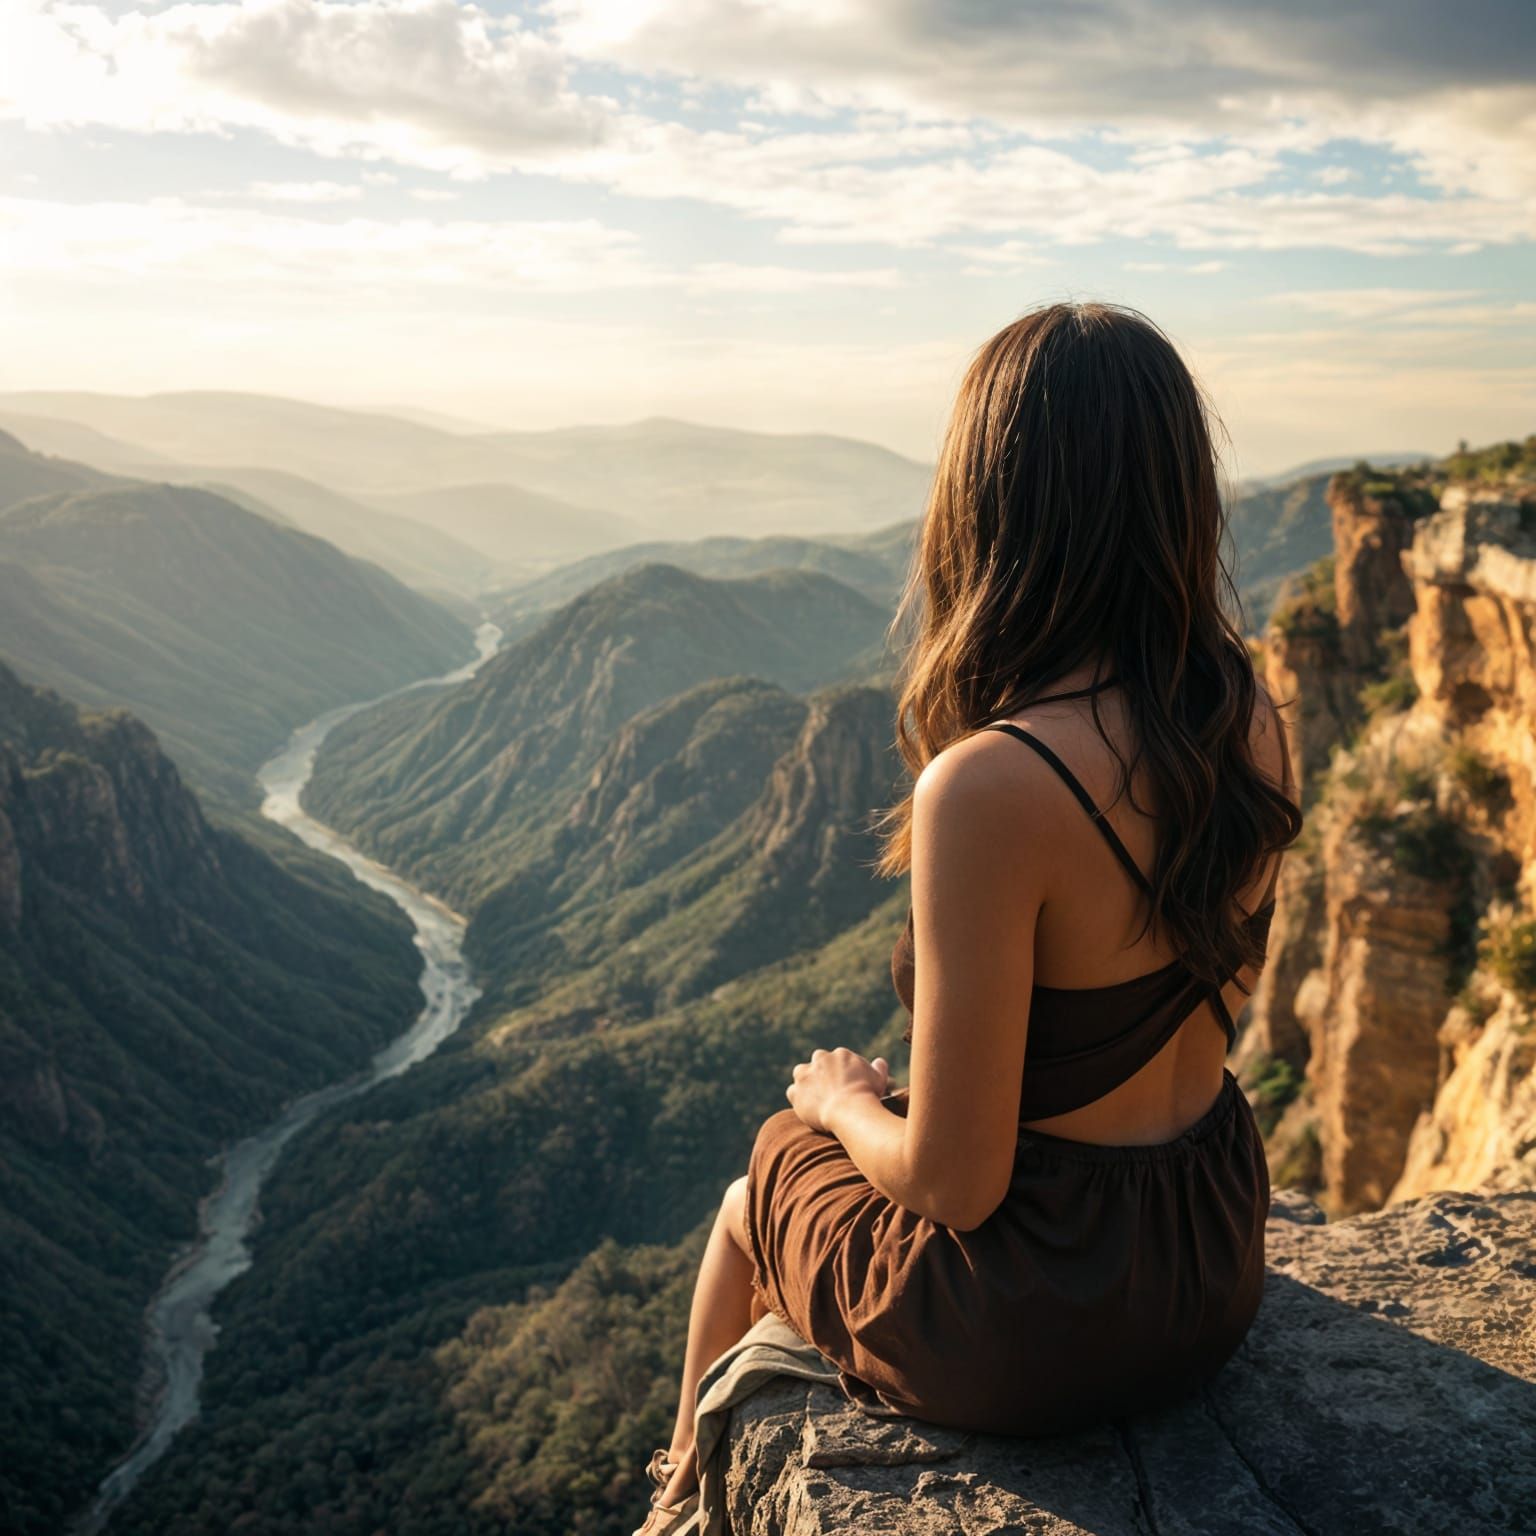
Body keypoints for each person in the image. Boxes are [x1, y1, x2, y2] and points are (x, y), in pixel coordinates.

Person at [634, 301, 1303, 1536]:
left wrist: (837, 1100)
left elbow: (953, 1183)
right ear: (1178, 496)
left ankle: (679, 1494)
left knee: (760, 1182)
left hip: (1035, 1321)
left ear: (989, 502)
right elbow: (1219, 1005)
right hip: (1209, 1262)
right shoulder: (1254, 718)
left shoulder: (992, 784)